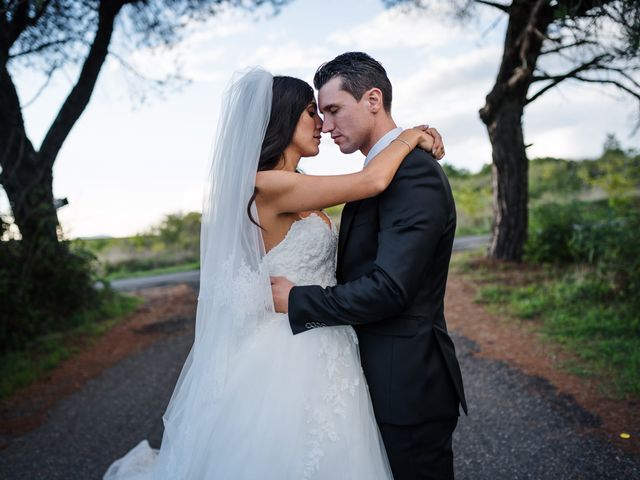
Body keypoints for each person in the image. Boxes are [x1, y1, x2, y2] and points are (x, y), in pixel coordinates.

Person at [103, 67, 444, 479]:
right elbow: (371, 180)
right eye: (310, 113)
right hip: (290, 346)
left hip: (325, 337)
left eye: (327, 112)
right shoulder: (266, 185)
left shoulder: (298, 183)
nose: (322, 123)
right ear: (281, 119)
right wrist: (412, 135)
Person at [271, 52, 468, 480]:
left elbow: (390, 288)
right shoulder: (381, 169)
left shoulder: (412, 173)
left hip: (408, 387)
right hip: (369, 379)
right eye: (319, 114)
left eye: (333, 110)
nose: (325, 125)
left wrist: (298, 299)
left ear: (373, 99)